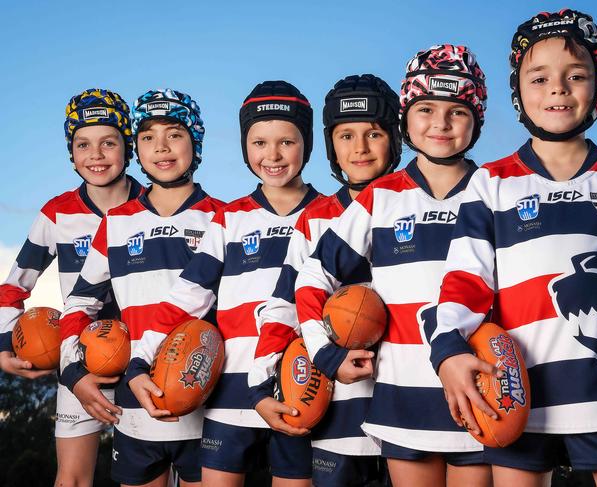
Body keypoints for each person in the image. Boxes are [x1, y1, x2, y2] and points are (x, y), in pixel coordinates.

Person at [432, 9, 597, 487]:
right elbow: (465, 282)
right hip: (515, 395)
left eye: (576, 75)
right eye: (540, 77)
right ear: (518, 90)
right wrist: (447, 352)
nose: (558, 89)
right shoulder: (491, 182)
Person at [294, 45, 491, 487]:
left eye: (456, 111)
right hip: (403, 398)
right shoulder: (378, 198)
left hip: (481, 391)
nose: (439, 124)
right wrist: (325, 355)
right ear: (406, 117)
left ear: (477, 117)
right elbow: (312, 277)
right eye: (424, 109)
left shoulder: (495, 189)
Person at [127, 80, 319, 487]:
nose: (273, 155)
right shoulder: (229, 220)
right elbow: (188, 297)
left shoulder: (330, 216)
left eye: (287, 141)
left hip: (301, 390)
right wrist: (139, 361)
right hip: (229, 399)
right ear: (244, 146)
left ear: (307, 143)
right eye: (259, 142)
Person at [59, 89, 224, 487]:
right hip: (134, 405)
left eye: (175, 134)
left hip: (209, 404)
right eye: (148, 137)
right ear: (137, 147)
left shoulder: (223, 217)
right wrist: (73, 372)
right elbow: (81, 302)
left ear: (196, 141)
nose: (161, 147)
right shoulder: (116, 222)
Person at [248, 73, 401, 487]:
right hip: (337, 408)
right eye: (345, 135)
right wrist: (261, 388)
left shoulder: (417, 205)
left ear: (396, 138)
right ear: (330, 145)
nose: (360, 148)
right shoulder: (315, 218)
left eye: (373, 133)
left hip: (414, 400)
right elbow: (283, 305)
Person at [0, 88, 142, 487]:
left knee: (153, 477)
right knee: (73, 479)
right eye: (83, 144)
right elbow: (13, 287)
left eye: (108, 142)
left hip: (146, 361)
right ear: (71, 151)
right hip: (78, 363)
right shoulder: (57, 212)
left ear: (127, 145)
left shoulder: (154, 205)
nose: (95, 155)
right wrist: (4, 346)